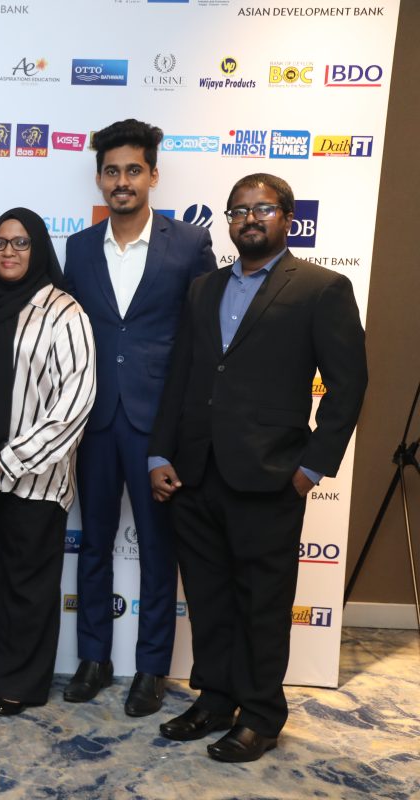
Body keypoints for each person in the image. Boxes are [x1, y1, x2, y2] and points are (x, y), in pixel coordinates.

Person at [149, 173, 367, 762]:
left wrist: (311, 468)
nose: (250, 218)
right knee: (209, 600)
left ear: (287, 218)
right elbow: (182, 376)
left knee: (263, 606)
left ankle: (262, 716)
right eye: (239, 210)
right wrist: (160, 453)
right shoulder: (204, 289)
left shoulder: (322, 288)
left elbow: (348, 387)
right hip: (195, 474)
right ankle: (216, 700)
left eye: (262, 208)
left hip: (271, 476)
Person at [61, 119, 217, 716]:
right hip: (94, 418)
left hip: (159, 425)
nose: (121, 181)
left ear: (153, 174)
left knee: (158, 550)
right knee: (93, 545)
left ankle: (152, 668)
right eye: (111, 171)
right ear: (99, 178)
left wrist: (184, 428)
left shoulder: (190, 244)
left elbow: (204, 338)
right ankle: (93, 658)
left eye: (132, 170)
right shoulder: (78, 248)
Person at [0, 209, 96, 717]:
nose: (8, 252)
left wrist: (14, 458)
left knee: (29, 583)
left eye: (21, 242)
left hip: (35, 474)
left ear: (39, 249)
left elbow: (77, 398)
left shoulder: (63, 311)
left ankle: (23, 683)